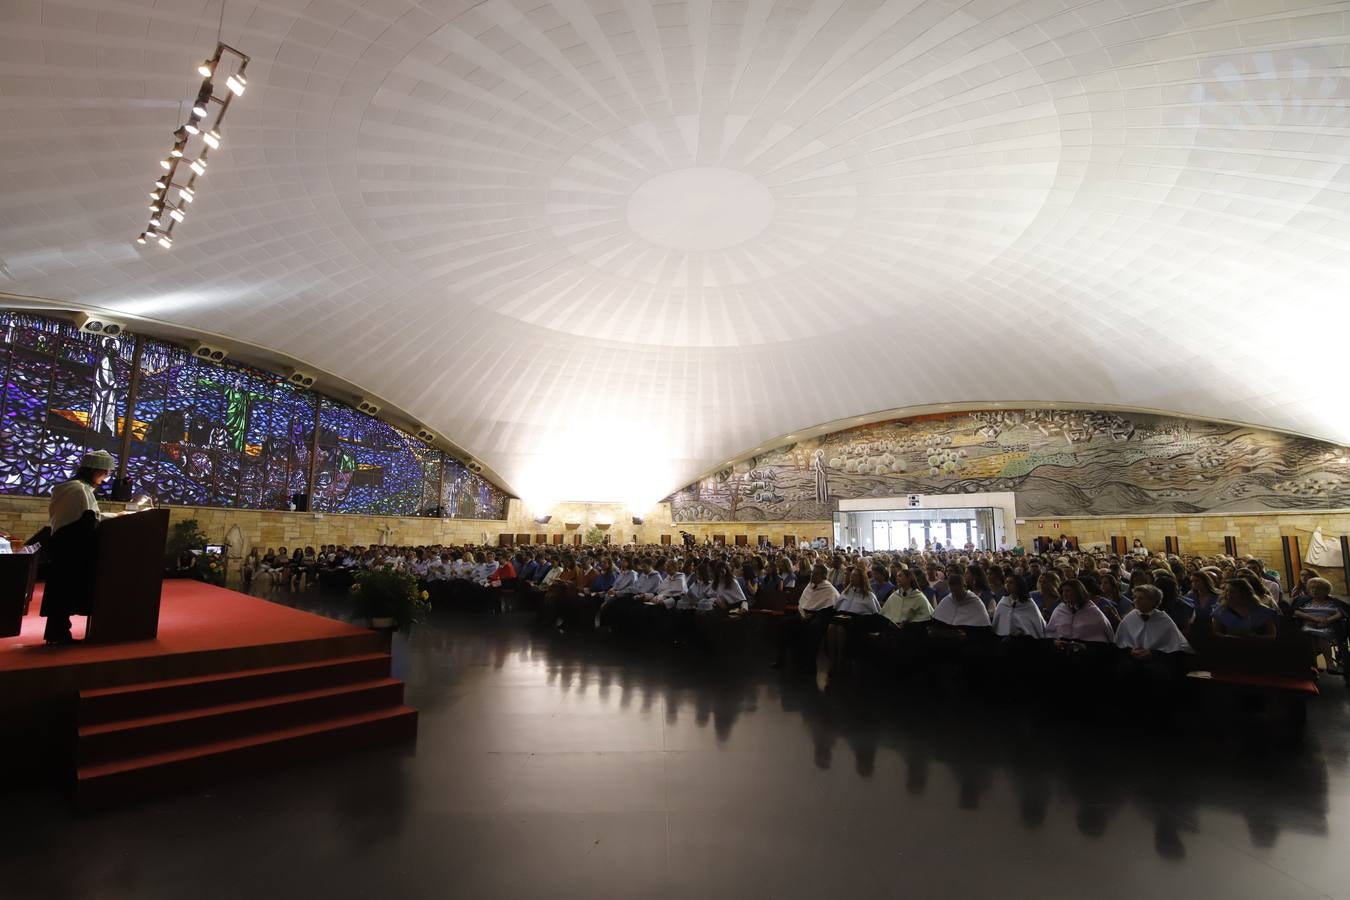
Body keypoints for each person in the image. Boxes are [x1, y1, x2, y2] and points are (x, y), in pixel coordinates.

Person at [40, 450, 116, 644]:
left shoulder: (71, 487)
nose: (105, 478)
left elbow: (84, 515)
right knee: (65, 591)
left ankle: (57, 633)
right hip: (72, 548)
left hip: (65, 544)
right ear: (94, 470)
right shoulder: (79, 490)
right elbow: (88, 519)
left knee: (63, 590)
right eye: (105, 473)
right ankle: (59, 634)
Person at [1292, 577, 1343, 666]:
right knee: (1309, 637)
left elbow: (1342, 612)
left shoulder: (1332, 602)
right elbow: (1296, 611)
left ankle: (1328, 663)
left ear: (1326, 590)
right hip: (1308, 625)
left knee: (1321, 637)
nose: (1314, 590)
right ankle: (1315, 664)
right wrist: (1313, 618)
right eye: (1312, 588)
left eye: (1318, 588)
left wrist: (1328, 620)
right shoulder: (1305, 601)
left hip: (1326, 626)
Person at [1212, 577, 1278, 640]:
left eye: (1233, 592)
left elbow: (1272, 636)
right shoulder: (1221, 610)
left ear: (1244, 593)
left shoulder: (1263, 611)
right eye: (1226, 591)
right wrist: (1232, 638)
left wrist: (1254, 638)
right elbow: (1216, 632)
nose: (1228, 594)